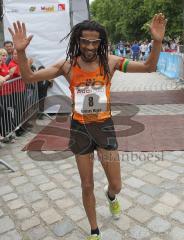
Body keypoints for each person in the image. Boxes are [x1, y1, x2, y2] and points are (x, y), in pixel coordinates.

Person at [8, 13, 167, 240]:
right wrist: (21, 52)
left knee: (116, 184)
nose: (90, 46)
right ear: (77, 40)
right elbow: (29, 77)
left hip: (104, 128)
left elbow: (149, 67)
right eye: (85, 41)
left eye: (95, 41)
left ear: (101, 42)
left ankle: (111, 197)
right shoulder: (67, 65)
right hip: (80, 130)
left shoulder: (110, 62)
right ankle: (94, 231)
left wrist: (157, 41)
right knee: (86, 184)